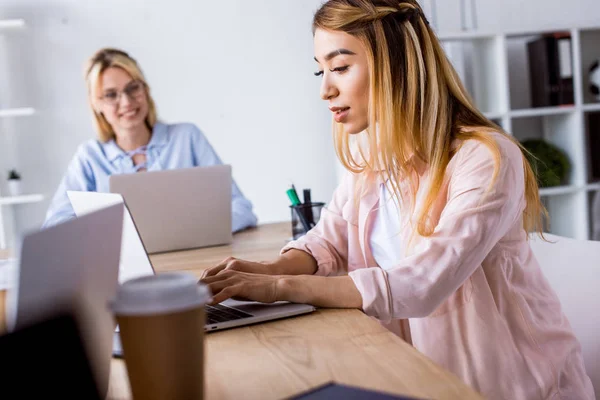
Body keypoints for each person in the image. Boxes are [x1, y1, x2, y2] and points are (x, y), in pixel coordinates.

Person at [200, 1, 594, 399]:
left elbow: (423, 282)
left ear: (396, 66)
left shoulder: (485, 158)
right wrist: (266, 270)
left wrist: (282, 286)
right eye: (321, 70)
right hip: (415, 374)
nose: (325, 89)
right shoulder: (372, 163)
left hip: (510, 387)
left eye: (339, 68)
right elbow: (329, 239)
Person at [43, 48, 257, 232]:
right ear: (96, 104)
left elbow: (240, 208)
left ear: (145, 90)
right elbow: (55, 224)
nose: (126, 102)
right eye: (111, 95)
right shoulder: (89, 156)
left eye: (133, 88)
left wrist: (195, 229)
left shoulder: (186, 138)